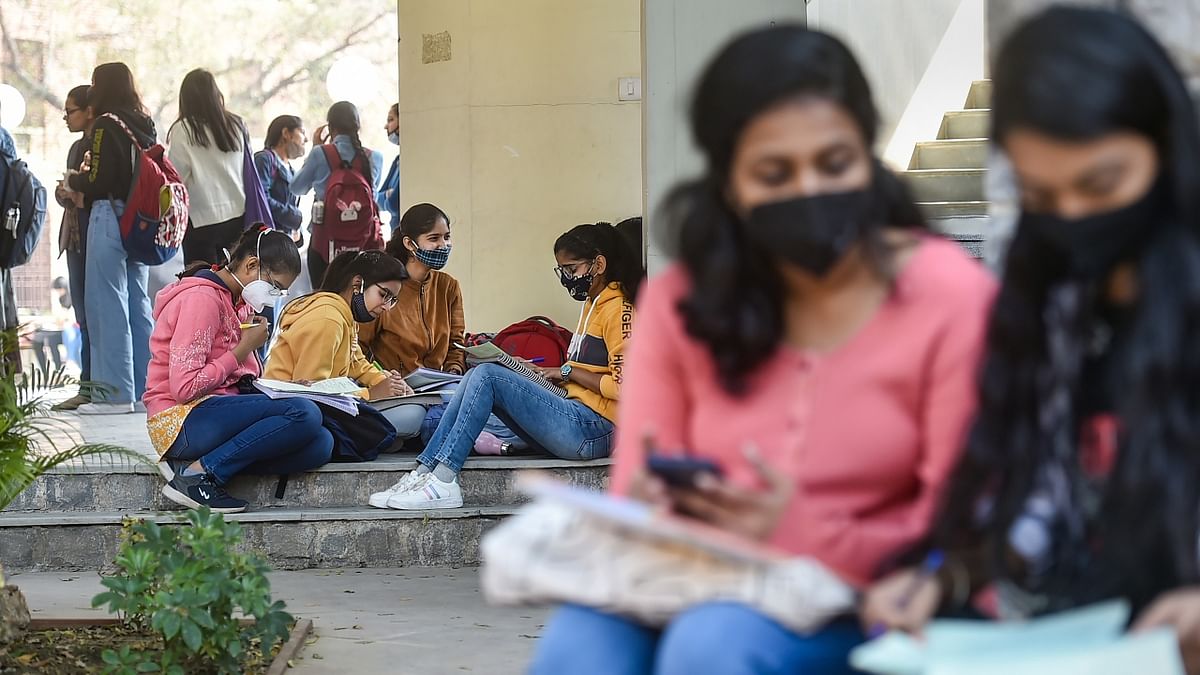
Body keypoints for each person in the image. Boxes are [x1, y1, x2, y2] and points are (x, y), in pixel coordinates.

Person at [530, 26, 997, 675]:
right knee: (579, 645)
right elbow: (640, 478)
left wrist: (804, 529)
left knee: (714, 644)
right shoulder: (683, 300)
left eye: (834, 164)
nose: (807, 189)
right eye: (773, 171)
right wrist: (647, 513)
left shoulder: (947, 296)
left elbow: (969, 523)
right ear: (728, 179)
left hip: (878, 593)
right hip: (703, 571)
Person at [861, 9, 1200, 673]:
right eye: (1044, 194)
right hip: (1080, 624)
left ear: (1164, 145)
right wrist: (942, 574)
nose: (1074, 216)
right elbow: (1019, 494)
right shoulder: (1047, 292)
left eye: (1101, 184)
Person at [371, 221, 643, 511]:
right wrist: (536, 375)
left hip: (595, 428)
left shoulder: (619, 309)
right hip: (575, 412)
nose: (567, 278)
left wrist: (568, 371)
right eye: (561, 271)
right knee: (480, 373)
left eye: (572, 270)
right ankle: (424, 474)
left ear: (598, 264)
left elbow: (627, 389)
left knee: (487, 376)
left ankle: (444, 480)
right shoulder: (594, 303)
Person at [148, 227, 330, 513]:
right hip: (181, 420)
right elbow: (184, 388)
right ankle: (199, 475)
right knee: (305, 414)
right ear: (251, 265)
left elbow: (238, 380)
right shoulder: (201, 298)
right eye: (274, 286)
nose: (275, 296)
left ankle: (207, 463)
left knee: (321, 443)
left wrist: (288, 387)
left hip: (218, 409)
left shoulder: (237, 301)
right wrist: (243, 349)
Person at [66, 62, 156, 415]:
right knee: (138, 306)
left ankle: (112, 395)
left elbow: (100, 181)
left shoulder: (105, 124)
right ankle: (144, 391)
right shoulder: (144, 122)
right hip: (141, 220)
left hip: (110, 215)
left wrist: (74, 180)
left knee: (106, 304)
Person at [263, 249, 423, 439]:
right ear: (357, 284)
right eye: (383, 295)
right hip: (291, 413)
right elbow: (312, 392)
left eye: (392, 300)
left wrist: (387, 382)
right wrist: (370, 394)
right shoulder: (328, 319)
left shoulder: (344, 316)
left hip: (325, 408)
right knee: (414, 415)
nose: (386, 308)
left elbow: (358, 364)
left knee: (413, 410)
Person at [360, 203, 464, 376]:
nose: (443, 245)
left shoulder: (449, 287)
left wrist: (454, 370)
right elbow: (358, 347)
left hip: (439, 386)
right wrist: (378, 378)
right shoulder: (383, 287)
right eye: (433, 238)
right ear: (409, 244)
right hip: (397, 389)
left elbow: (456, 344)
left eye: (447, 237)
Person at [291, 101, 384, 287]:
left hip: (323, 245)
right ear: (357, 126)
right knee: (360, 298)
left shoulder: (319, 154)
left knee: (322, 299)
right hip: (364, 246)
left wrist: (314, 150)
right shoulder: (375, 157)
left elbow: (296, 188)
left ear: (330, 127)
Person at [168, 68, 247, 266]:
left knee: (201, 285)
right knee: (233, 282)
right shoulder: (236, 125)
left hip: (200, 220)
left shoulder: (183, 129)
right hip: (237, 216)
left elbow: (177, 178)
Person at [52, 84, 94, 410]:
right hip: (76, 237)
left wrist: (74, 191)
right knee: (82, 314)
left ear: (88, 110)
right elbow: (65, 189)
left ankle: (93, 388)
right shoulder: (76, 147)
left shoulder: (101, 144)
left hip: (94, 239)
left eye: (71, 111)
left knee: (96, 315)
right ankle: (88, 385)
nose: (66, 117)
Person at [255, 115, 307, 246]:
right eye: (302, 132)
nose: (305, 139)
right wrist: (293, 217)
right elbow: (261, 199)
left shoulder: (291, 170)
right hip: (268, 242)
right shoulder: (264, 160)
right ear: (286, 133)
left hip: (284, 243)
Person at [377, 103, 401, 233]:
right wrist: (387, 194)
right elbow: (377, 198)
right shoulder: (398, 160)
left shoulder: (409, 163)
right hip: (394, 232)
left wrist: (387, 197)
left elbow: (393, 204)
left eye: (391, 120)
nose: (386, 126)